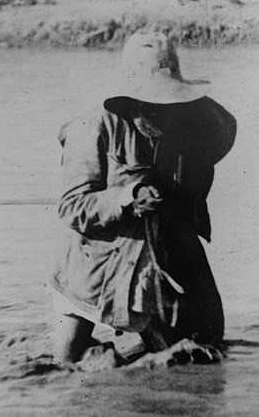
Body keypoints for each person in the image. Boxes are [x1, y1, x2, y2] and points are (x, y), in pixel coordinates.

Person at [49, 31, 237, 363]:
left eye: (168, 98)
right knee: (65, 367)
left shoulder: (186, 119)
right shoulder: (93, 124)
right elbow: (72, 206)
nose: (160, 108)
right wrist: (128, 197)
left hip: (157, 258)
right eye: (152, 99)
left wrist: (192, 103)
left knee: (203, 347)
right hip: (95, 264)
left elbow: (222, 130)